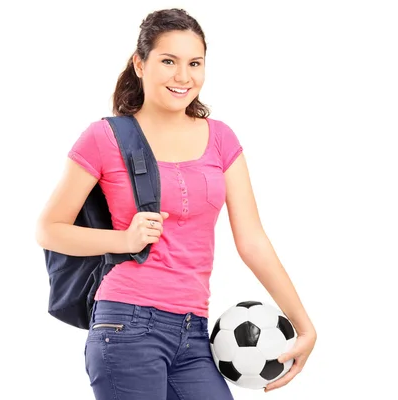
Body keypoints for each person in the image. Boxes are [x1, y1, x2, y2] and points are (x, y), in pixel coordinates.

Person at [35, 8, 317, 399]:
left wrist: (304, 324)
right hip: (126, 326)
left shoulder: (221, 139)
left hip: (194, 331)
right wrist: (124, 240)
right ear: (140, 63)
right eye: (168, 61)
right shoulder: (104, 138)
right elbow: (48, 229)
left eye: (194, 63)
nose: (183, 76)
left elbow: (252, 240)